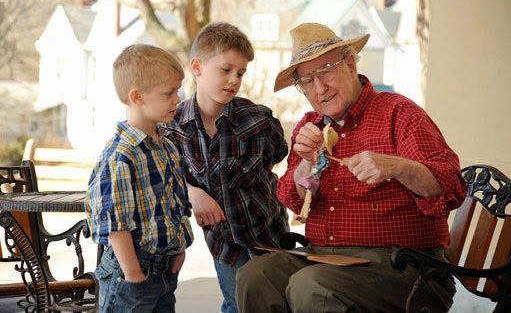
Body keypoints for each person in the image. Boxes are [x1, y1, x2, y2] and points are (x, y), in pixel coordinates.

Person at [236, 22, 467, 312]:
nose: (319, 88)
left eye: (325, 71)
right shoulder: (311, 126)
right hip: (324, 257)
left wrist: (396, 167)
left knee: (311, 286)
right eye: (307, 81)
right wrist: (306, 166)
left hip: (404, 265)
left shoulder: (399, 113)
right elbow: (292, 199)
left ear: (349, 62)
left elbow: (452, 187)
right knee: (255, 275)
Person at [166, 22, 289, 313]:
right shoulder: (173, 128)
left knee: (276, 305)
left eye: (241, 73)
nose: (234, 79)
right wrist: (192, 193)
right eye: (226, 69)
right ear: (197, 67)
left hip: (269, 234)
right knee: (238, 304)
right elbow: (169, 177)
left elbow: (278, 155)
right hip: (225, 245)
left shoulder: (258, 120)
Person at [84, 44, 193, 313]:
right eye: (168, 93)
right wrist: (134, 276)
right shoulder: (121, 155)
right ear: (137, 97)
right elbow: (116, 225)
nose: (177, 98)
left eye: (177, 90)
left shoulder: (166, 144)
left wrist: (179, 248)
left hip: (165, 271)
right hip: (131, 274)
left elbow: (174, 203)